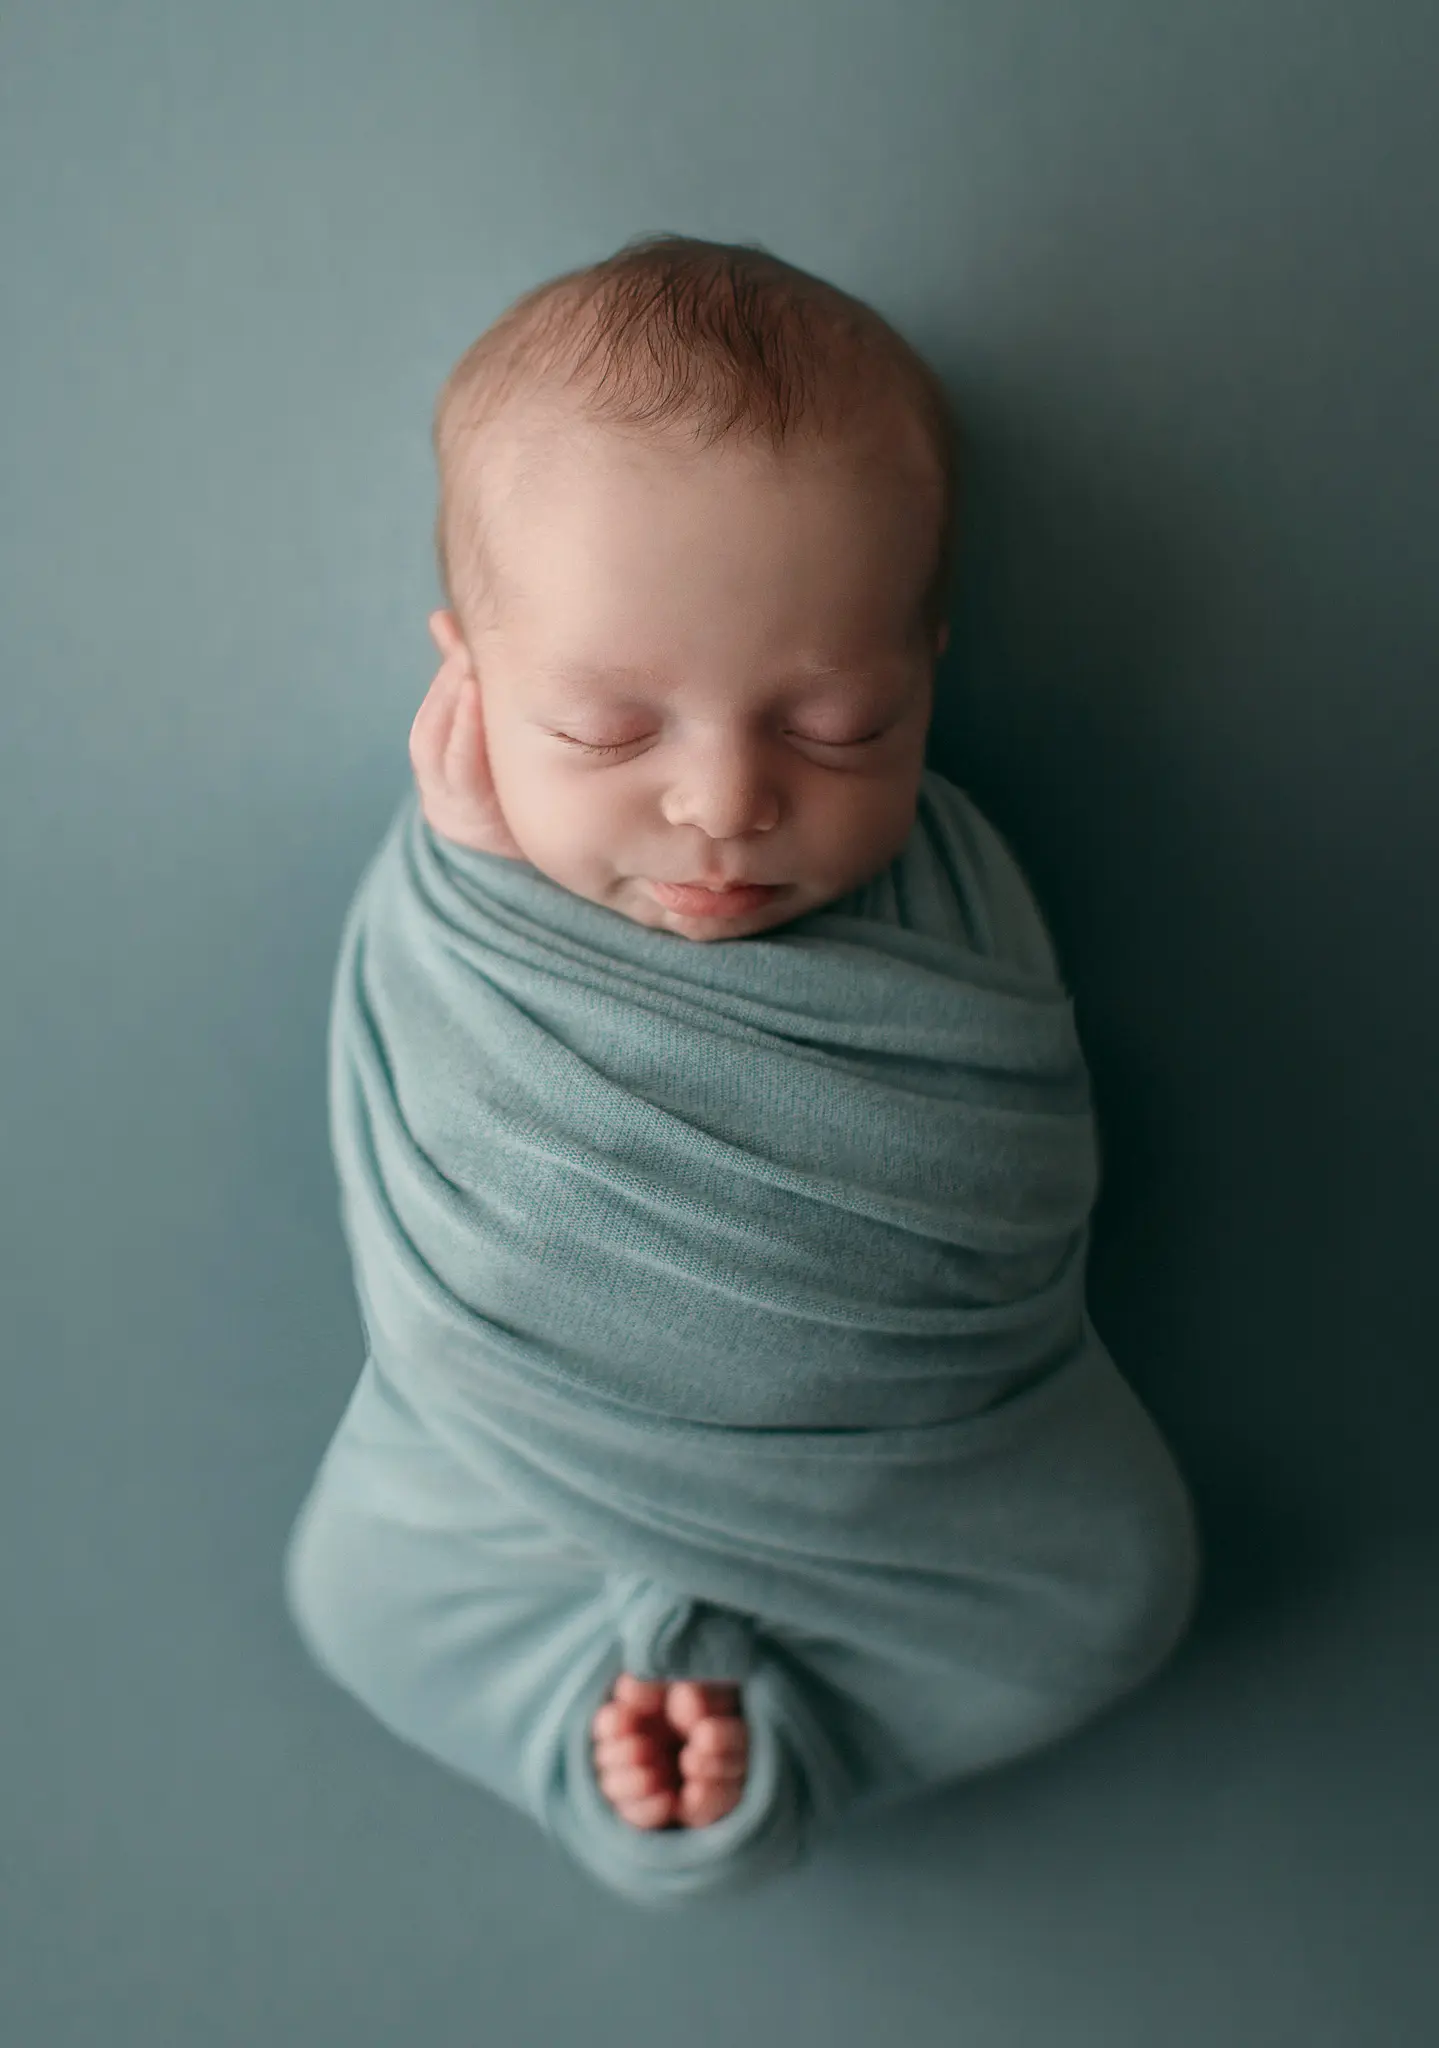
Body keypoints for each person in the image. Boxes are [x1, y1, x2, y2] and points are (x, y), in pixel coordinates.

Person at [283, 234, 1200, 1903]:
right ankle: (629, 1713)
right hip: (509, 1487)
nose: (722, 802)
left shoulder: (954, 896)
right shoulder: (452, 915)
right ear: (467, 679)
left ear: (927, 667)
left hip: (911, 1496)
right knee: (357, 1594)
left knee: (1118, 1583)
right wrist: (476, 868)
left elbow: (1002, 1186)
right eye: (603, 731)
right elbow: (445, 1201)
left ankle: (749, 1723)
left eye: (839, 727)